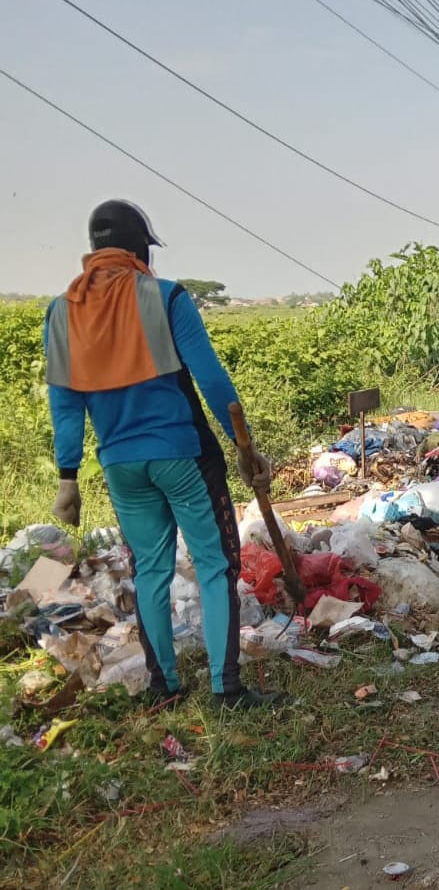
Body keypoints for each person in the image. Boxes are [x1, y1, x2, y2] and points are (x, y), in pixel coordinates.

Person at [44, 200, 280, 710]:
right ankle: (226, 690)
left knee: (149, 570)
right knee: (213, 565)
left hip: (119, 465)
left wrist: (69, 478)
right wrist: (245, 447)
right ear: (138, 249)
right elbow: (212, 379)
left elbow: (64, 402)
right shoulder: (166, 297)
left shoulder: (62, 312)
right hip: (179, 454)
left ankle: (164, 686)